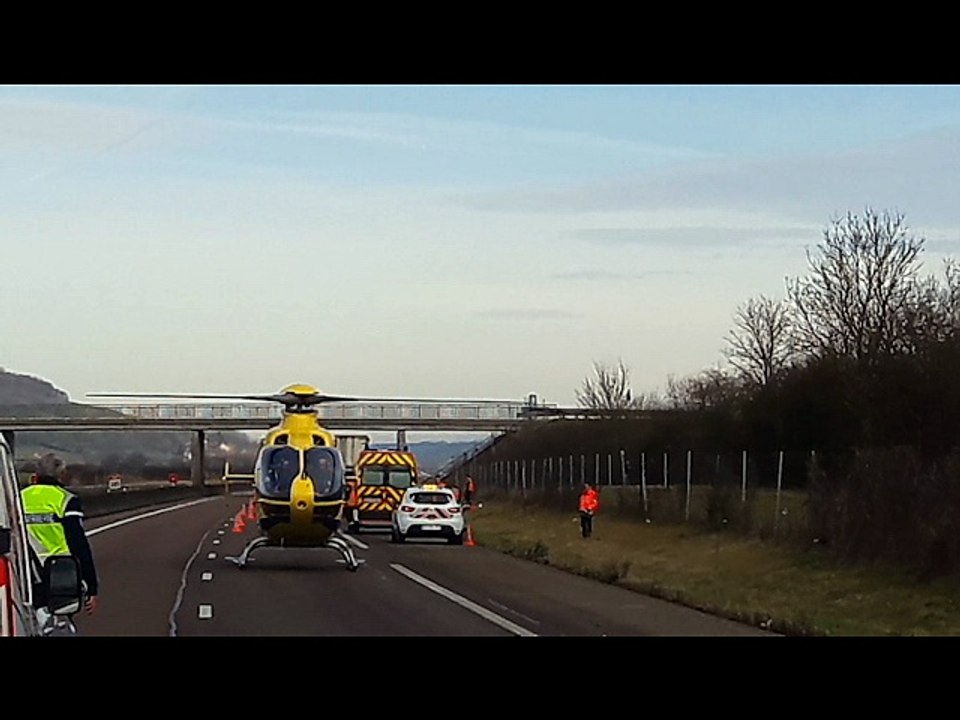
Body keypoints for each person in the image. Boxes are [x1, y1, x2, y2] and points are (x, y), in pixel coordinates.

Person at [21, 453, 99, 616]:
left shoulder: (19, 498)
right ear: (61, 475)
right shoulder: (66, 500)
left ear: (37, 475)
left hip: (24, 573)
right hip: (60, 576)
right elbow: (78, 544)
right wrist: (90, 586)